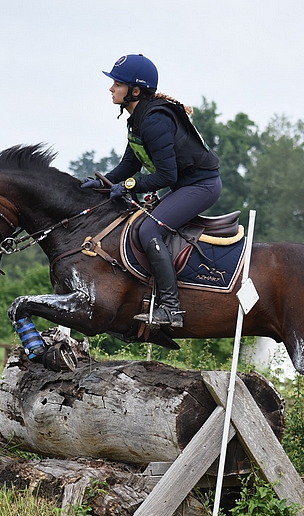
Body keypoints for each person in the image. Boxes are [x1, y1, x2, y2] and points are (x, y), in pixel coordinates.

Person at [80, 54, 221, 329]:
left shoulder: (154, 121)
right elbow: (129, 165)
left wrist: (128, 186)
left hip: (201, 186)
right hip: (185, 185)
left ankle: (171, 308)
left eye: (117, 84)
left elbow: (167, 176)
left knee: (148, 230)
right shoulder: (137, 118)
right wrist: (103, 183)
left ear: (135, 90)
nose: (111, 89)